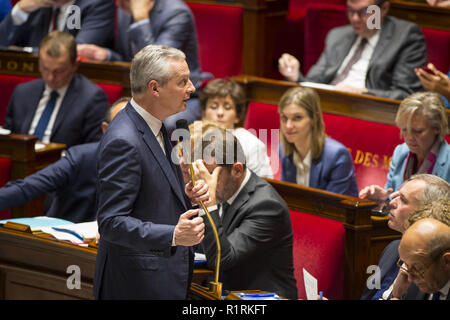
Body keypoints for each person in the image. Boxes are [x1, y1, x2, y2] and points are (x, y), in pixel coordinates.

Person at [94, 45, 208, 300]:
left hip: (157, 279)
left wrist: (184, 195)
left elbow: (146, 196)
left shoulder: (156, 123)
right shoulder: (124, 140)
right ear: (155, 88)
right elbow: (111, 222)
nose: (192, 88)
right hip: (135, 285)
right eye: (183, 82)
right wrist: (173, 235)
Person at [187, 125, 298, 299]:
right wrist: (195, 204)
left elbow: (222, 260)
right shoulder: (224, 191)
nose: (205, 183)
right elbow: (200, 249)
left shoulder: (266, 206)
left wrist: (207, 204)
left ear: (237, 170)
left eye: (211, 175)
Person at [77, 0, 203, 133]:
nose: (118, 4)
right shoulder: (125, 9)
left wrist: (141, 20)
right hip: (141, 93)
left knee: (166, 123)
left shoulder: (177, 14)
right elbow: (130, 60)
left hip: (180, 95)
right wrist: (106, 56)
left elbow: (157, 67)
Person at [0, 97, 128, 223]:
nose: (128, 134)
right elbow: (29, 186)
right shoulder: (81, 157)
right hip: (63, 237)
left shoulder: (145, 162)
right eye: (121, 126)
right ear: (105, 129)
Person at [278, 0, 426, 100]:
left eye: (363, 12)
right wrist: (296, 77)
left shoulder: (405, 36)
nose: (355, 19)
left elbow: (406, 94)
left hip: (367, 109)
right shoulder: (337, 36)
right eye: (350, 11)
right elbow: (314, 82)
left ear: (384, 8)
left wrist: (363, 93)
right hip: (325, 105)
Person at [3, 31, 109, 148]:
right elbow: (9, 139)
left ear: (75, 65)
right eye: (45, 68)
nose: (50, 77)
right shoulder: (22, 92)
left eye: (58, 71)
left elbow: (92, 150)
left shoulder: (91, 98)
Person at [361, 174, 450, 300]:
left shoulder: (429, 270)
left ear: (425, 211)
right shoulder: (392, 249)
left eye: (403, 199)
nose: (391, 203)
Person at [359, 91, 449, 207]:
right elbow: (392, 197)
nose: (409, 138)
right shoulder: (400, 152)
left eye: (418, 131)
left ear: (436, 128)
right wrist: (383, 198)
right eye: (405, 130)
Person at [278, 86, 358, 196]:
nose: (288, 125)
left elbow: (330, 208)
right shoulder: (283, 150)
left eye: (297, 118)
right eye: (284, 117)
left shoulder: (337, 156)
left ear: (314, 119)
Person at [198, 78, 273, 178]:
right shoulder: (194, 140)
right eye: (214, 107)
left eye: (227, 107)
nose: (220, 113)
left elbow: (261, 187)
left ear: (237, 116)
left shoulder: (253, 145)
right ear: (203, 113)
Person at [0, 0, 115, 50]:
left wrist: (25, 51)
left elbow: (76, 50)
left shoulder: (97, 4)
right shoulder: (37, 5)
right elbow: (3, 45)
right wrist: (20, 10)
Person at [393, 218, 450, 300]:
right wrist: (396, 296)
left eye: (417, 268)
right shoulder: (421, 282)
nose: (410, 278)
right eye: (405, 264)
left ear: (447, 261)